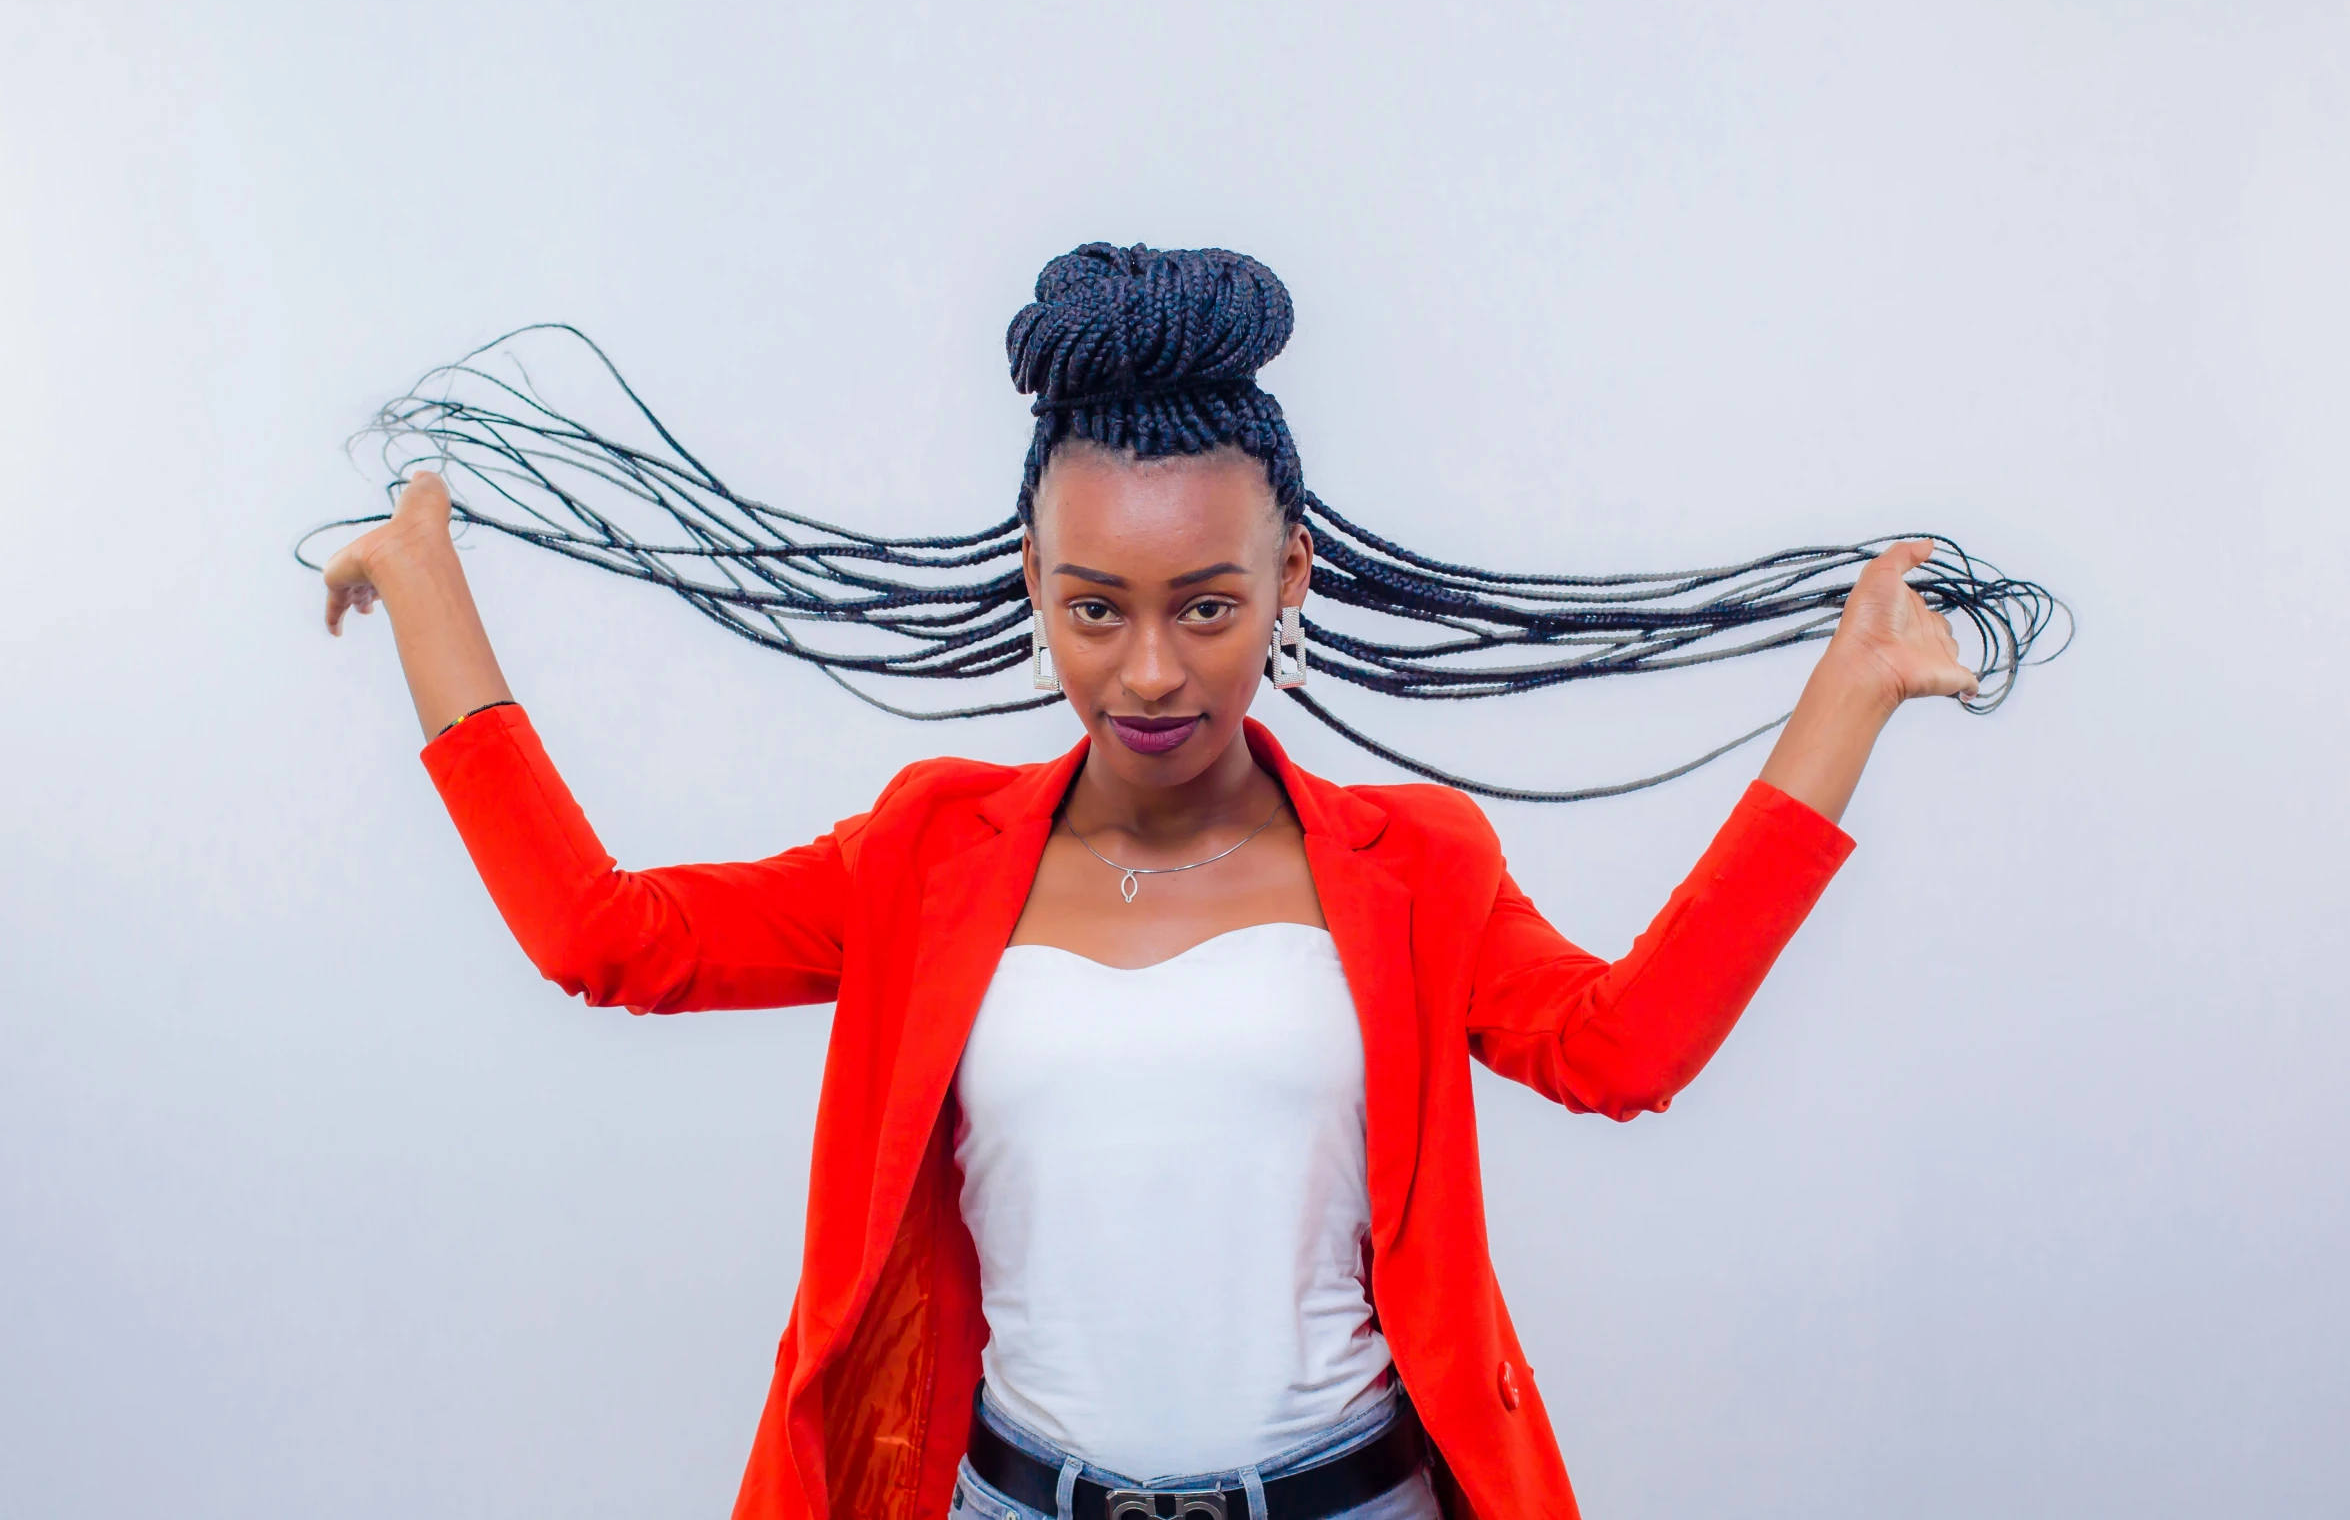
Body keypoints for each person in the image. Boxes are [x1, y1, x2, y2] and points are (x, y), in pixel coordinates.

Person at [322, 245, 1983, 1520]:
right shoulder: (927, 853)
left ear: (1289, 580)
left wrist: (1843, 700)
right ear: (1033, 580)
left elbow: (1624, 1046)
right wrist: (426, 594)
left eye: (1206, 604)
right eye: (1095, 606)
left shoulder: (1411, 867)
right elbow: (608, 938)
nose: (1149, 670)